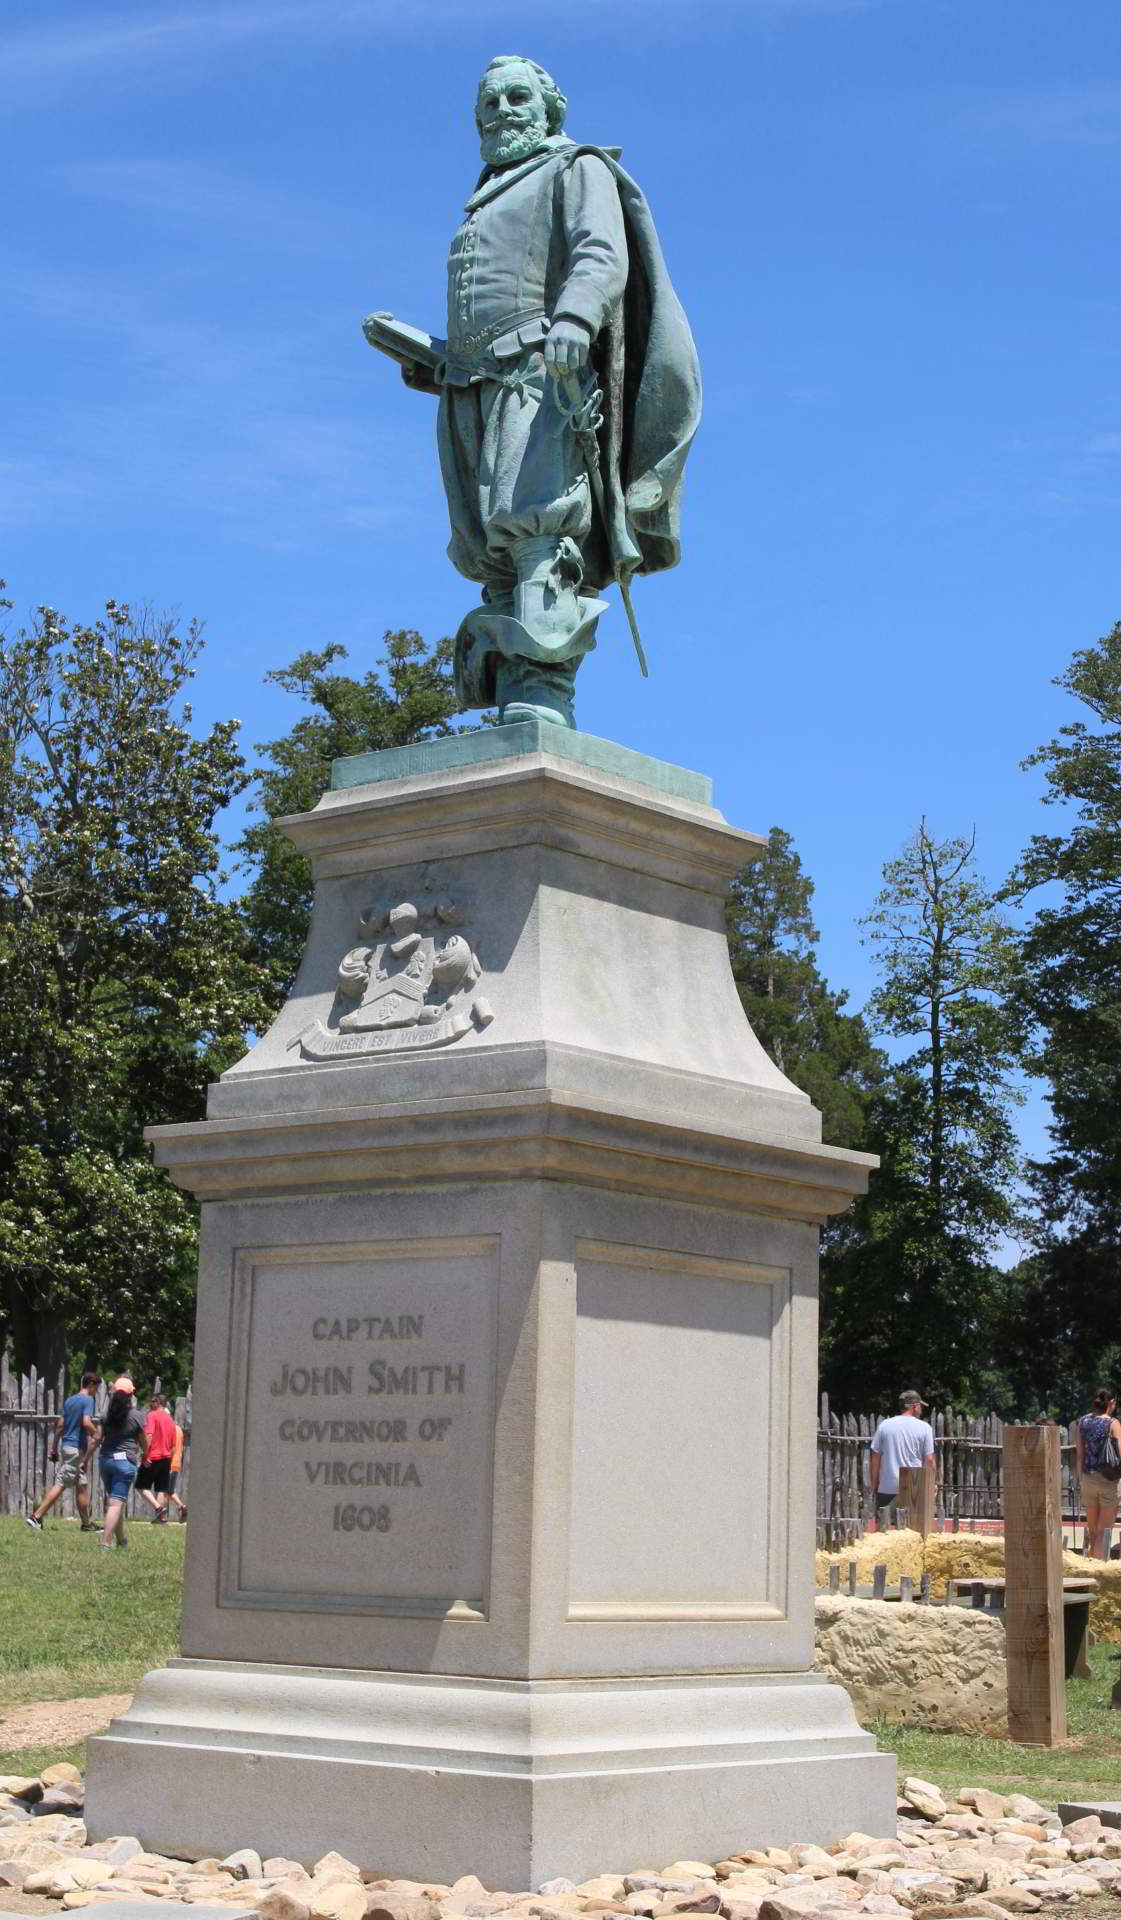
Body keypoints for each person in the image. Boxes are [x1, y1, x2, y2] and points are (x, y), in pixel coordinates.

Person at [366, 53, 700, 728]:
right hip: (471, 385)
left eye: (517, 98)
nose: (502, 113)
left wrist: (575, 318)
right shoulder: (486, 194)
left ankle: (545, 693)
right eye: (489, 104)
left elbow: (599, 253)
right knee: (487, 542)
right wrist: (430, 360)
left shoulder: (575, 167)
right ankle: (511, 689)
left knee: (537, 523)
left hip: (541, 374)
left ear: (551, 109)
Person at [25, 1371, 102, 1532]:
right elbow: (86, 1422)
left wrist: (54, 1447)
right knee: (61, 1483)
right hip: (75, 1449)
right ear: (91, 1384)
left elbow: (60, 1425)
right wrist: (98, 1435)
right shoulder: (88, 1400)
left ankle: (86, 1524)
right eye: (97, 1388)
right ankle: (36, 1517)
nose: (97, 1391)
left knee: (81, 1485)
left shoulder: (70, 1400)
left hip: (67, 1446)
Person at [869, 1391, 937, 1527]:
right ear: (915, 1406)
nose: (921, 1409)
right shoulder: (925, 1428)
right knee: (913, 1531)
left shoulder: (885, 1425)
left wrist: (875, 1483)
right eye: (920, 1406)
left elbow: (875, 1456)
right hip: (914, 1489)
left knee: (885, 1531)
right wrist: (931, 1484)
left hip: (888, 1487)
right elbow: (929, 1460)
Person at [98, 1376, 147, 1550]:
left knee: (114, 1502)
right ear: (131, 1394)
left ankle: (121, 1540)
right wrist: (147, 1455)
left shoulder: (106, 1415)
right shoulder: (136, 1416)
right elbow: (143, 1440)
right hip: (125, 1463)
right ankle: (105, 1542)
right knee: (116, 1503)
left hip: (105, 1461)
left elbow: (98, 1437)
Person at [1076, 1385, 1121, 1560]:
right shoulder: (1113, 1423)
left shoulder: (1083, 1422)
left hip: (1088, 1478)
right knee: (1104, 1531)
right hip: (1108, 1479)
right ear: (1112, 1402)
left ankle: (1092, 1564)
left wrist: (1080, 1478)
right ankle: (1099, 1567)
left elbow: (1080, 1455)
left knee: (1093, 1530)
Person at [135, 1390, 176, 1523]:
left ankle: (158, 1508)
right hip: (166, 1457)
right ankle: (160, 1518)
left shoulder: (152, 1415)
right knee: (161, 1489)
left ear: (158, 1402)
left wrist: (145, 1454)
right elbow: (173, 1443)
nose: (150, 1404)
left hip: (153, 1457)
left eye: (152, 1401)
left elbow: (149, 1435)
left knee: (141, 1486)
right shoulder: (170, 1419)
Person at [167, 1417, 188, 1522]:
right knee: (169, 1491)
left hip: (170, 1463)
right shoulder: (179, 1429)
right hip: (177, 1463)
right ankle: (182, 1507)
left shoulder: (170, 1430)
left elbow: (173, 1448)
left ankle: (160, 1516)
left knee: (164, 1491)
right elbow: (181, 1448)